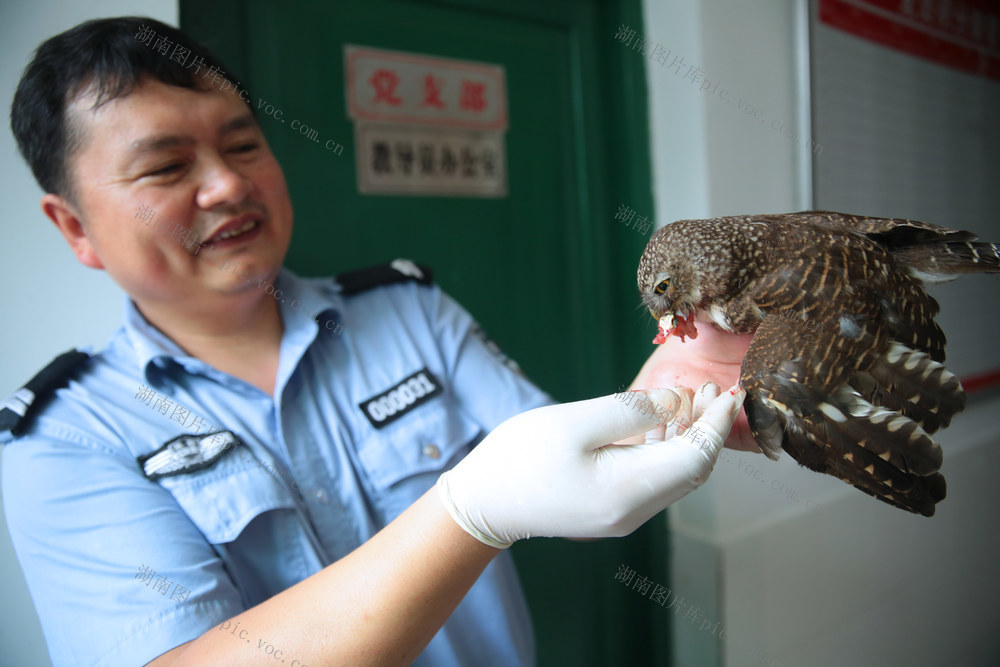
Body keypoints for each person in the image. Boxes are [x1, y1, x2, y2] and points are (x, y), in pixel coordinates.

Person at [2, 16, 752, 666]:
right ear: (74, 227)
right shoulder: (64, 438)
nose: (228, 186)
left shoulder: (408, 312)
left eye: (243, 145)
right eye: (167, 167)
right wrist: (468, 511)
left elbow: (582, 467)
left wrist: (677, 391)